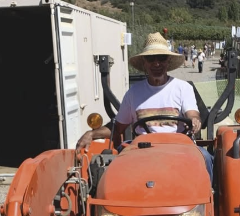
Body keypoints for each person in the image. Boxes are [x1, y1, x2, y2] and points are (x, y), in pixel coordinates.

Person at [76, 32, 213, 182]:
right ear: (144, 63)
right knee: (110, 166)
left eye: (161, 58)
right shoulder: (134, 93)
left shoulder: (182, 88)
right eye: (151, 59)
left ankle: (210, 199)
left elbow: (192, 114)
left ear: (168, 61)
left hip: (178, 147)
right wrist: (92, 133)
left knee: (205, 158)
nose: (156, 63)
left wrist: (194, 120)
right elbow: (117, 127)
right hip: (142, 149)